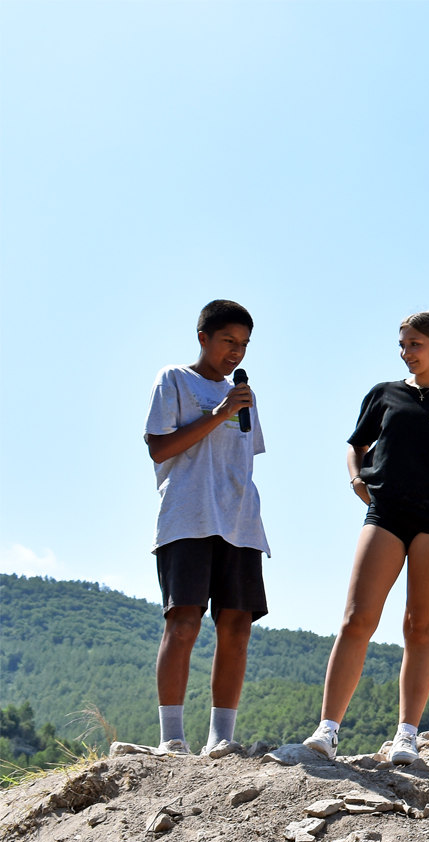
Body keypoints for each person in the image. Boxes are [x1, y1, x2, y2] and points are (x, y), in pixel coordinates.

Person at [304, 311, 429, 765]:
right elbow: (355, 445)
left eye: (415, 344)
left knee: (420, 627)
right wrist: (356, 480)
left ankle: (406, 736)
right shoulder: (384, 395)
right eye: (402, 344)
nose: (406, 352)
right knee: (357, 619)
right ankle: (327, 730)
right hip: (386, 515)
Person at [144, 299, 268, 757]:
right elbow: (160, 449)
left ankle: (221, 740)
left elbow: (241, 457)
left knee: (237, 625)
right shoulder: (174, 378)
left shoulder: (245, 395)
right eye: (228, 341)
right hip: (187, 516)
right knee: (184, 621)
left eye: (244, 345)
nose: (236, 353)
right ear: (203, 337)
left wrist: (231, 410)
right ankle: (171, 738)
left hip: (240, 521)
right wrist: (217, 414)